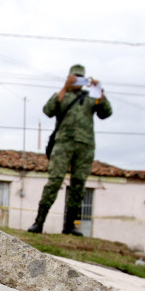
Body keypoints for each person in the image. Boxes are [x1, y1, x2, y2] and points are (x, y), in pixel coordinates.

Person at [28, 65, 113, 235]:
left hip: (85, 146)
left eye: (82, 78)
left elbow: (106, 113)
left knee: (79, 185)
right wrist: (65, 87)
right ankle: (39, 222)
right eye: (75, 77)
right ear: (68, 77)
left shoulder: (91, 98)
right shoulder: (62, 95)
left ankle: (70, 226)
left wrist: (99, 89)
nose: (78, 81)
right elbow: (48, 110)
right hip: (63, 144)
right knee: (54, 181)